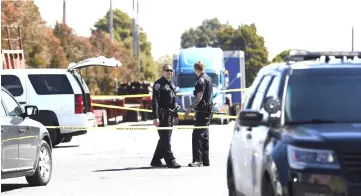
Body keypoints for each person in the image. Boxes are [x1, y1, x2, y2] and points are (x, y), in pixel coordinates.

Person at [150, 63, 181, 169]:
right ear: (163, 71)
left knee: (164, 138)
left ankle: (156, 160)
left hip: (170, 115)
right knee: (166, 139)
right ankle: (170, 160)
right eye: (167, 70)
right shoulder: (158, 84)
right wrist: (155, 117)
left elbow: (173, 101)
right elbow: (155, 102)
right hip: (162, 116)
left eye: (171, 70)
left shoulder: (171, 84)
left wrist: (176, 114)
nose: (169, 72)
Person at [185, 61, 213, 167]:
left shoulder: (201, 80)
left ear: (196, 69)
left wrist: (190, 108)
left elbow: (199, 97)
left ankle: (197, 160)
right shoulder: (209, 78)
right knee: (205, 135)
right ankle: (205, 160)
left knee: (197, 135)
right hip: (208, 110)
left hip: (202, 111)